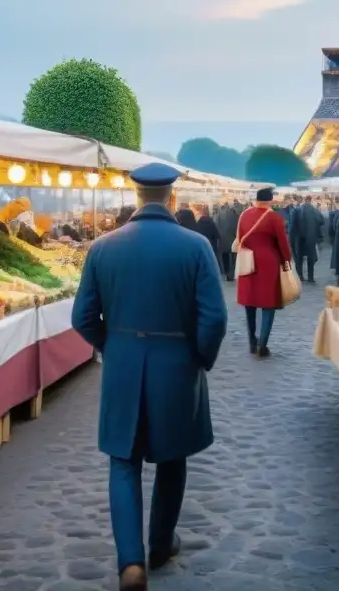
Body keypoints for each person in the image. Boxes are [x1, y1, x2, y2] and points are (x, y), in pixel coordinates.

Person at [72, 163, 227, 590]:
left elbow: (82, 316)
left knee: (123, 460)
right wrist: (199, 357)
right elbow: (214, 318)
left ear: (136, 197)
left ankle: (130, 563)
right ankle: (160, 543)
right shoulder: (195, 246)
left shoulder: (102, 247)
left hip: (123, 361)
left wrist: (111, 345)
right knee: (172, 457)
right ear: (171, 198)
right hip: (176, 360)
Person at [236, 188, 293, 358]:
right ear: (270, 201)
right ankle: (262, 344)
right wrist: (286, 261)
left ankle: (252, 342)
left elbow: (239, 238)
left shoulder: (244, 216)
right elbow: (283, 243)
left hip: (248, 261)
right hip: (268, 263)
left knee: (250, 303)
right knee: (268, 304)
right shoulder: (275, 218)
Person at [291, 196, 325, 283]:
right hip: (311, 237)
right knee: (311, 257)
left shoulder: (296, 210)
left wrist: (291, 239)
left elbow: (292, 226)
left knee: (299, 258)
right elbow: (322, 221)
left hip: (299, 238)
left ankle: (300, 276)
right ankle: (311, 277)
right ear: (310, 200)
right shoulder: (315, 210)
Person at [215, 201, 239, 281]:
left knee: (224, 256)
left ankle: (225, 271)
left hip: (222, 239)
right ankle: (231, 273)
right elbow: (236, 228)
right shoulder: (235, 215)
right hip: (232, 238)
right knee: (233, 256)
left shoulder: (218, 214)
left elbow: (216, 225)